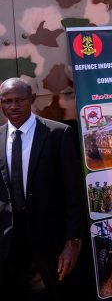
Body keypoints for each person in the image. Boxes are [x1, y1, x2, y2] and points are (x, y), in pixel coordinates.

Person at [0, 78, 85, 300]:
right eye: (6, 101)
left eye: (19, 100)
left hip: (50, 245)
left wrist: (72, 242)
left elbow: (73, 194)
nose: (13, 106)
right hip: (8, 248)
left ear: (33, 99)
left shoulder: (58, 134)